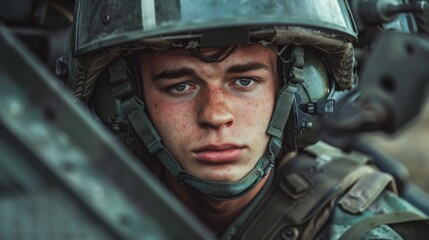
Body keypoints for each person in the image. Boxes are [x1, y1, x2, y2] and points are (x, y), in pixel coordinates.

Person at [61, 0, 429, 239]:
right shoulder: (66, 206)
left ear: (302, 90)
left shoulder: (359, 229)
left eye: (244, 81)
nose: (216, 115)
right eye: (180, 86)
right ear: (121, 101)